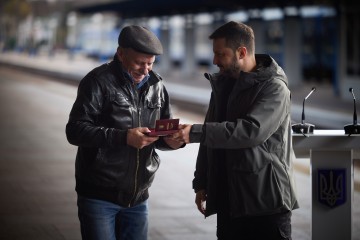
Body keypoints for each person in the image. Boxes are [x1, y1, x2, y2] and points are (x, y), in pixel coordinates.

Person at [173, 21, 299, 240]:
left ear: (241, 52)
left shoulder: (273, 87)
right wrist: (201, 181)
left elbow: (250, 132)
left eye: (220, 54)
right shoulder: (223, 84)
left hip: (265, 202)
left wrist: (194, 132)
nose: (214, 61)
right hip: (230, 200)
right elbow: (211, 134)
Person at [66, 25, 184, 240]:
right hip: (98, 194)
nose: (145, 70)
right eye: (139, 62)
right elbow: (75, 131)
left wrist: (173, 142)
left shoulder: (157, 85)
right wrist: (124, 137)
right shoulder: (97, 82)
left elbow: (159, 134)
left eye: (150, 63)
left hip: (138, 197)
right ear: (121, 54)